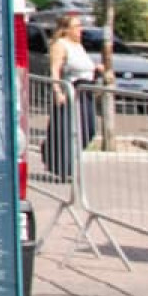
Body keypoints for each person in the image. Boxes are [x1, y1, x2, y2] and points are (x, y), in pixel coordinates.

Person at [44, 12, 97, 180]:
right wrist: (57, 91)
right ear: (66, 29)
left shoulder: (79, 45)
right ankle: (64, 167)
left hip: (85, 92)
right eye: (76, 26)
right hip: (71, 91)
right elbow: (55, 69)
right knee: (67, 131)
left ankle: (53, 152)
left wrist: (98, 68)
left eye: (80, 26)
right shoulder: (60, 44)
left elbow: (84, 66)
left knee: (88, 129)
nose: (80, 30)